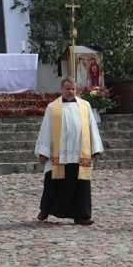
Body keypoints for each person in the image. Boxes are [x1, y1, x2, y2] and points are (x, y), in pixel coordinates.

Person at [35, 77, 104, 225]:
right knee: (53, 183)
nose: (70, 91)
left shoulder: (85, 106)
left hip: (80, 153)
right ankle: (46, 209)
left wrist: (95, 149)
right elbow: (46, 129)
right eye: (67, 89)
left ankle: (82, 215)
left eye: (73, 89)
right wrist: (43, 152)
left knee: (81, 185)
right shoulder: (53, 107)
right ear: (61, 89)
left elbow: (92, 128)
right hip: (59, 153)